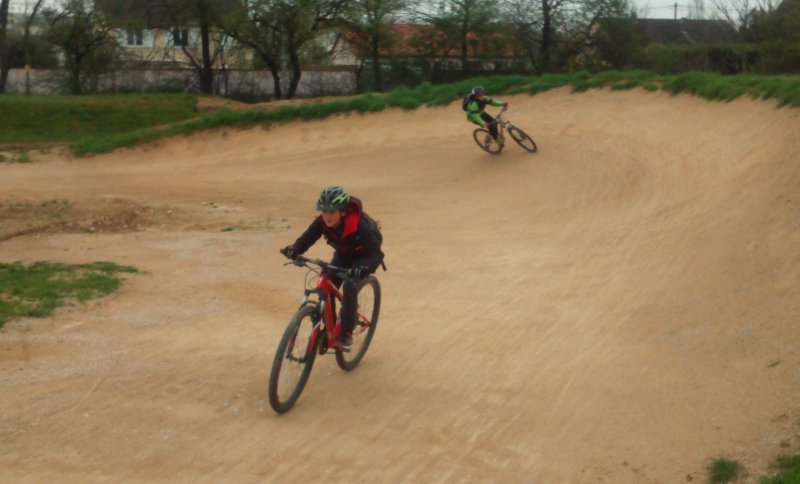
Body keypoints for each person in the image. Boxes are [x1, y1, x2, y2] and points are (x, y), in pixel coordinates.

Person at [281, 186, 384, 350]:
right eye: (324, 211)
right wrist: (295, 249)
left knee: (350, 285)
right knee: (327, 285)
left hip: (364, 256)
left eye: (332, 212)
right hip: (343, 253)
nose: (327, 216)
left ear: (342, 212)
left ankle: (346, 333)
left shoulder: (361, 225)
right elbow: (308, 237)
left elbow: (376, 254)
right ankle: (331, 329)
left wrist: (365, 267)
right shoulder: (322, 222)